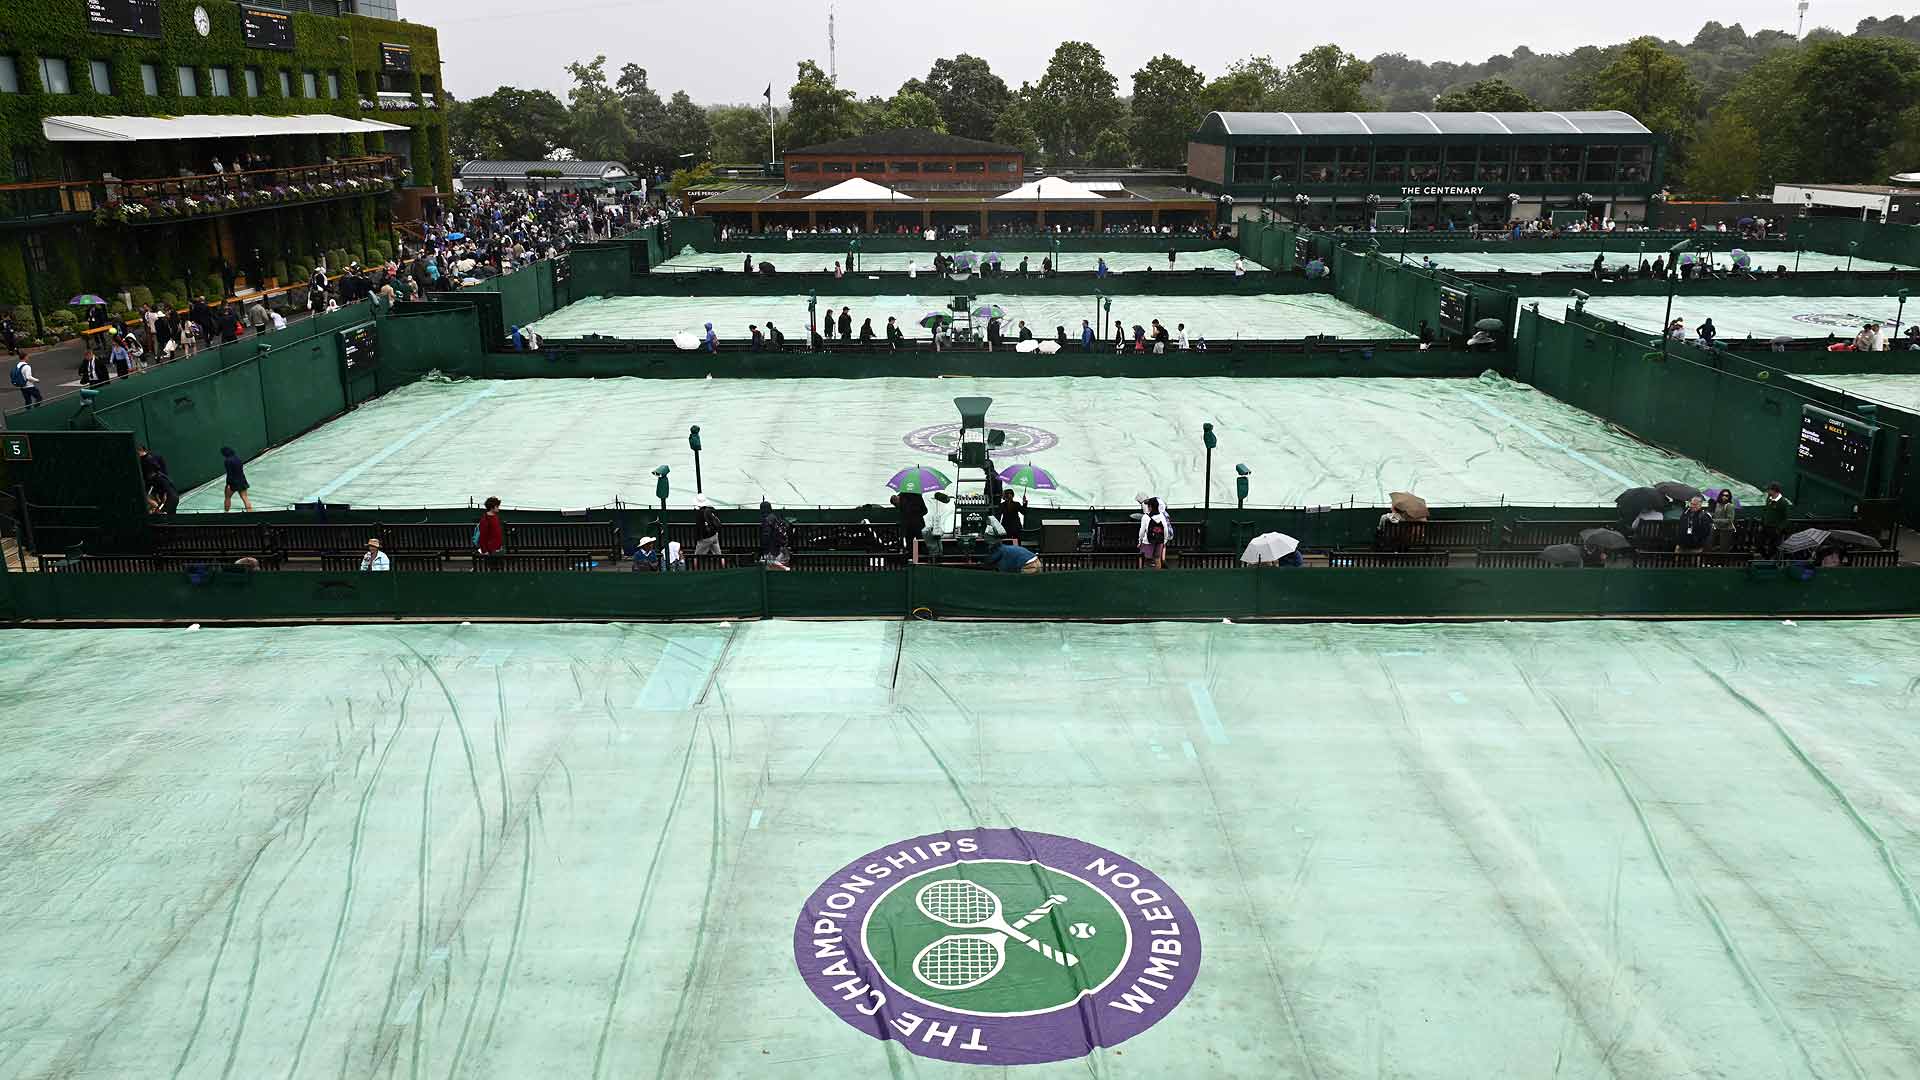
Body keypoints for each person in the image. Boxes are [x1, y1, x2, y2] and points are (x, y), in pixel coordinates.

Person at [1138, 495, 1172, 569]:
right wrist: (1164, 540)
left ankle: (1142, 573)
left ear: (1150, 507)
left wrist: (1140, 540)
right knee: (1157, 558)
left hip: (1147, 541)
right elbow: (1165, 528)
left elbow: (1142, 531)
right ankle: (1157, 576)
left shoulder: (1145, 517)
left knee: (1144, 558)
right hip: (1159, 540)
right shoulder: (1162, 516)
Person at [1758, 482, 1791, 557]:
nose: (1767, 491)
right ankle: (1765, 557)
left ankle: (1769, 560)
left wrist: (1779, 529)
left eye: (1768, 490)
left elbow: (1786, 518)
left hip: (1775, 529)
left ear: (1774, 490)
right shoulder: (1769, 499)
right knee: (1758, 543)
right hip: (1765, 527)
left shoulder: (1783, 502)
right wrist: (1761, 524)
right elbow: (1765, 511)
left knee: (1772, 548)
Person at [892, 490, 927, 561]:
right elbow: (925, 510)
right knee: (920, 544)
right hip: (918, 525)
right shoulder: (917, 495)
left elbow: (903, 516)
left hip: (908, 527)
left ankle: (913, 561)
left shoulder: (902, 499)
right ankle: (921, 561)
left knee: (911, 546)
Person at [759, 499, 792, 570]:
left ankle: (784, 569)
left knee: (768, 565)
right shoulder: (775, 517)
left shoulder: (767, 520)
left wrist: (765, 550)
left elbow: (766, 537)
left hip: (773, 549)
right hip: (781, 548)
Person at [220, 446, 254, 512]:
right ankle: (251, 514)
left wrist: (228, 484)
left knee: (227, 498)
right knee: (245, 498)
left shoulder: (227, 461)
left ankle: (226, 513)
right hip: (242, 481)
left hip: (233, 483)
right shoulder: (238, 458)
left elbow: (229, 474)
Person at [693, 494, 724, 562]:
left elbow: (699, 528)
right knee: (719, 555)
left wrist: (698, 539)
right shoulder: (711, 509)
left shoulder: (699, 514)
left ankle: (694, 570)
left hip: (705, 538)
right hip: (714, 535)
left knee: (696, 556)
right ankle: (723, 566)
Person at [922, 491, 951, 560]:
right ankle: (937, 554)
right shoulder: (931, 500)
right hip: (934, 525)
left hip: (934, 525)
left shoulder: (928, 498)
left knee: (931, 534)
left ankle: (936, 554)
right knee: (935, 537)